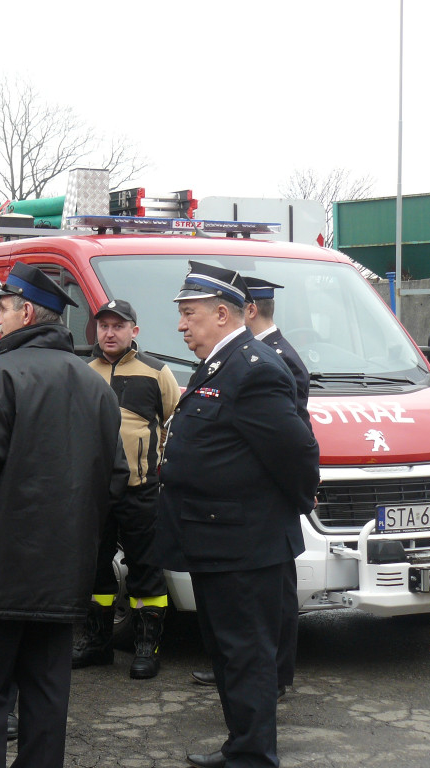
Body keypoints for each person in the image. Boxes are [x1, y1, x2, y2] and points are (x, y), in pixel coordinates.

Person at [0, 262, 127, 768]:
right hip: (61, 580)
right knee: (45, 700)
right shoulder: (96, 387)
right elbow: (114, 481)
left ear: (28, 312)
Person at [151, 261, 319, 768]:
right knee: (226, 654)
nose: (181, 325)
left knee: (247, 656)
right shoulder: (222, 364)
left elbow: (297, 454)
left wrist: (281, 512)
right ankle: (241, 745)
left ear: (222, 313)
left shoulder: (256, 369)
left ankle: (254, 757)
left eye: (189, 314)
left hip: (246, 545)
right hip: (217, 543)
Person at [192, 276, 312, 693]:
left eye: (190, 313)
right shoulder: (230, 360)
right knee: (243, 640)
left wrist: (294, 500)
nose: (182, 325)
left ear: (244, 310)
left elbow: (292, 445)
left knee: (264, 623)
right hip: (237, 524)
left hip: (258, 521)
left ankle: (272, 681)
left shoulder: (266, 362)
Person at [74, 298, 179, 679]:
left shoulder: (156, 372)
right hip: (96, 492)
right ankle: (97, 644)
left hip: (140, 490)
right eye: (103, 326)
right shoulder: (84, 372)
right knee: (94, 570)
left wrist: (159, 468)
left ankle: (146, 648)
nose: (110, 332)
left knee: (145, 570)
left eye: (118, 326)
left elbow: (173, 422)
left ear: (134, 331)